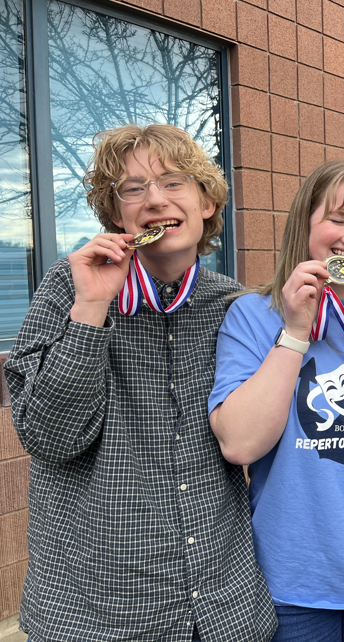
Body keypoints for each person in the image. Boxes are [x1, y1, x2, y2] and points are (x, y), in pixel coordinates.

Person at [3, 124, 276, 641]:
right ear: (115, 214)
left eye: (174, 182)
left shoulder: (235, 305)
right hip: (96, 614)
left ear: (207, 202)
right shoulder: (69, 290)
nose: (154, 199)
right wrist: (90, 311)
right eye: (133, 189)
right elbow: (48, 439)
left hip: (222, 609)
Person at [208, 159, 344, 642]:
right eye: (337, 219)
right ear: (304, 225)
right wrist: (294, 331)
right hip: (294, 581)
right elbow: (240, 445)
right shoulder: (253, 315)